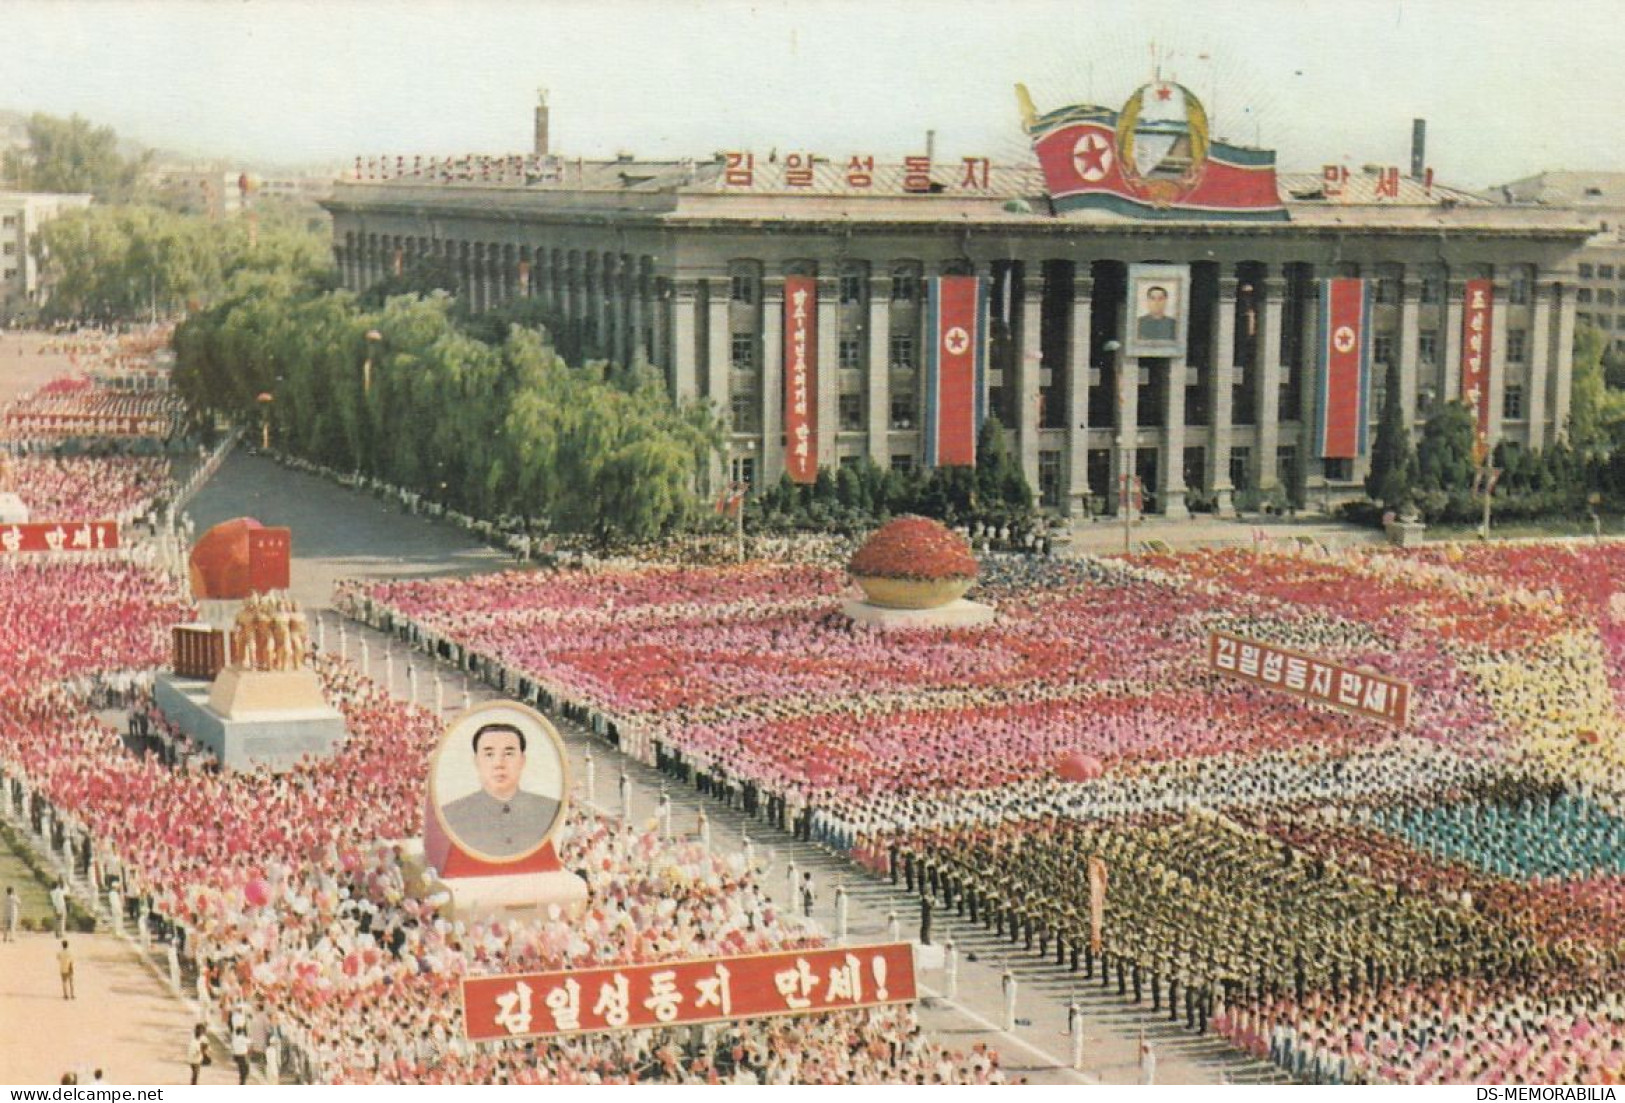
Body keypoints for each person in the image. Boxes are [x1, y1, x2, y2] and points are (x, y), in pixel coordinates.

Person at [438, 721, 561, 859]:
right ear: (477, 762)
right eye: (489, 754)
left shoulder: (549, 810)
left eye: (508, 754)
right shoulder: (452, 815)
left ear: (522, 760)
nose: (499, 764)